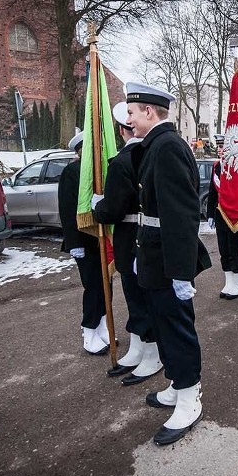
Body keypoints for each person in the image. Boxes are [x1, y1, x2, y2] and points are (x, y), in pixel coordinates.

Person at [126, 81, 211, 446]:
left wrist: (180, 271)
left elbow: (181, 214)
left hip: (168, 260)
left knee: (176, 329)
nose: (128, 119)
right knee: (163, 325)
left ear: (149, 111)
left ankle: (191, 397)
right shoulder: (155, 146)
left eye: (131, 112)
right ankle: (178, 385)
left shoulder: (168, 147)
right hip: (154, 255)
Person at [91, 102, 162, 385]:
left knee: (139, 298)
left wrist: (99, 208)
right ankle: (138, 348)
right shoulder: (143, 155)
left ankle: (152, 352)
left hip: (131, 236)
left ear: (121, 130)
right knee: (136, 298)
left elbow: (115, 210)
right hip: (137, 235)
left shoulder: (123, 161)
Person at [58, 129, 111, 355]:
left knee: (105, 286)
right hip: (84, 240)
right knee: (93, 287)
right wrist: (74, 242)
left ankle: (101, 328)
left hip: (102, 239)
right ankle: (89, 331)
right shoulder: (72, 172)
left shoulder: (102, 171)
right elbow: (67, 208)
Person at [206, 134, 238, 300]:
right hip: (219, 213)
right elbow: (212, 192)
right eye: (219, 147)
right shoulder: (216, 166)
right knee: (224, 249)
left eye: (224, 148)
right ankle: (229, 282)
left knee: (234, 248)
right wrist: (210, 214)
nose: (220, 151)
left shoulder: (235, 167)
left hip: (234, 214)